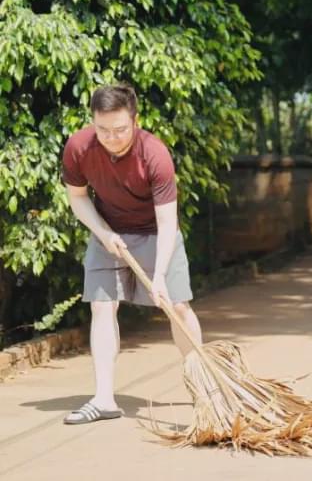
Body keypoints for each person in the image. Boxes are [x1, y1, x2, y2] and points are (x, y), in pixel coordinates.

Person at [61, 84, 203, 424]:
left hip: (156, 233)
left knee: (178, 307)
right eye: (103, 129)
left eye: (120, 129)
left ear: (135, 121)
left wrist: (158, 276)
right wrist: (104, 233)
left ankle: (204, 388)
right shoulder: (79, 147)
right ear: (93, 121)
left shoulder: (154, 154)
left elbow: (168, 221)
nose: (111, 137)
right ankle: (105, 399)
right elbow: (78, 198)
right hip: (107, 231)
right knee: (101, 305)